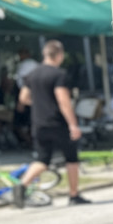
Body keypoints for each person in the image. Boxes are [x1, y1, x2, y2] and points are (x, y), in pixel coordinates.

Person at [16, 41, 88, 203]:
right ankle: (74, 194)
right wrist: (73, 125)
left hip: (39, 122)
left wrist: (40, 103)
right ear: (60, 55)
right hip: (58, 123)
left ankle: (22, 186)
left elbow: (23, 98)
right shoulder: (58, 75)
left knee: (42, 159)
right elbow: (64, 102)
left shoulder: (32, 75)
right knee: (71, 159)